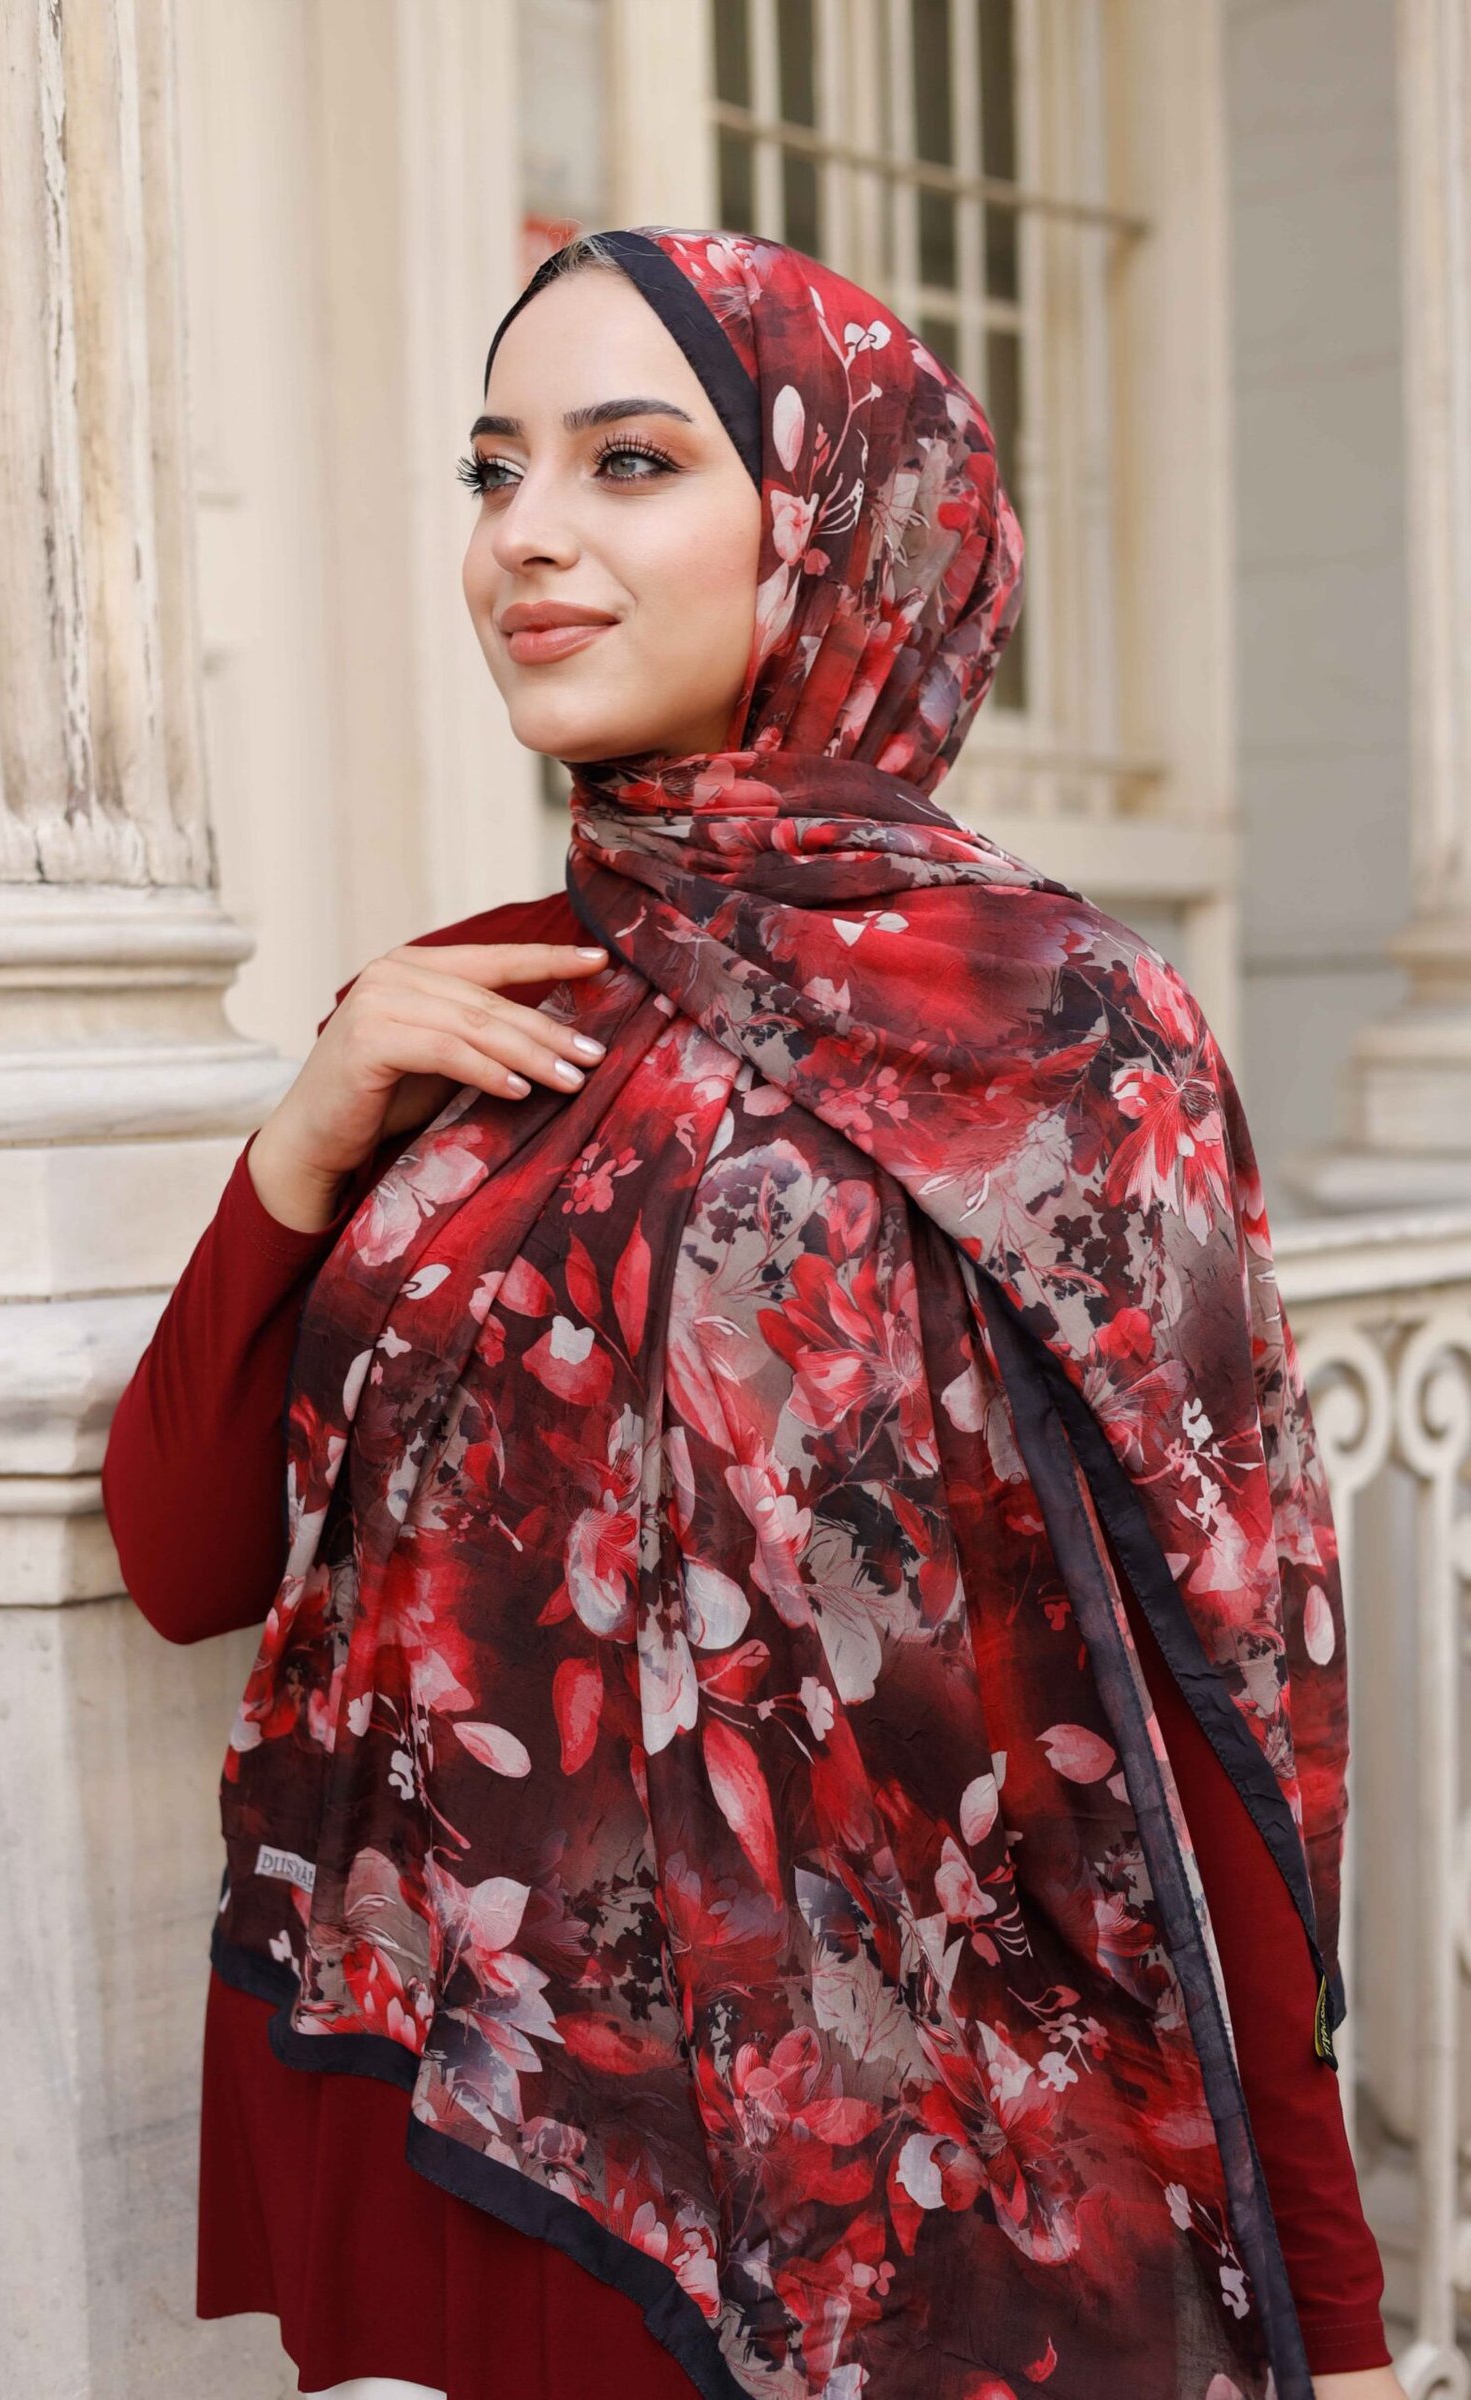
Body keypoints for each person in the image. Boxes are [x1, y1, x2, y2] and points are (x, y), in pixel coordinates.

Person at [103, 229, 1403, 2400]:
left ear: (842, 530)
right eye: (493, 468)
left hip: (908, 2209)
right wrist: (305, 1139)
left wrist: (1334, 2324)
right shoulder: (470, 1008)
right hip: (476, 2130)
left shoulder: (1053, 1034)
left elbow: (1217, 1683)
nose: (524, 536)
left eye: (627, 462)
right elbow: (184, 1561)